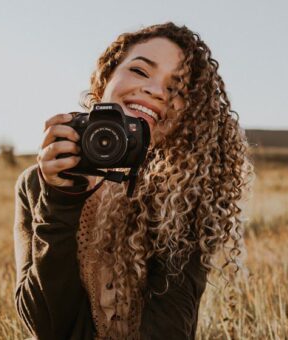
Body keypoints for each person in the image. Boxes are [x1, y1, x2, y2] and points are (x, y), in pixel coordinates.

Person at [13, 22, 254, 340]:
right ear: (105, 79)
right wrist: (59, 199)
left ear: (187, 115)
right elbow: (43, 324)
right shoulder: (38, 182)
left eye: (176, 88)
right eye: (141, 71)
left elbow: (170, 329)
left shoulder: (185, 193)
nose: (156, 90)